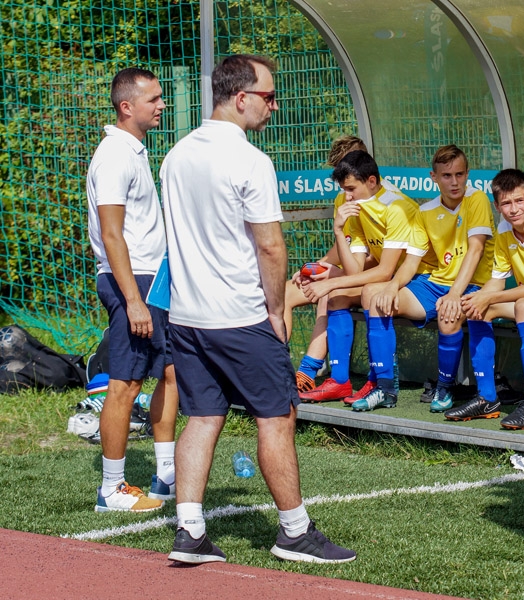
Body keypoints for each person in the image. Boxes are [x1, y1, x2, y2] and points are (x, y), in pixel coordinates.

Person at [160, 54, 355, 564]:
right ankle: (293, 531)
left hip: (187, 316)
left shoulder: (176, 154)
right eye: (268, 96)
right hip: (239, 315)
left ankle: (190, 531)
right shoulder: (250, 160)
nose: (274, 105)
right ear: (240, 96)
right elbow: (270, 247)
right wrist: (275, 308)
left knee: (202, 417)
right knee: (278, 416)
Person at [86, 67, 179, 512]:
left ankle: (165, 475)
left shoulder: (135, 151)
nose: (162, 105)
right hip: (132, 283)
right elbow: (111, 234)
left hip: (153, 278)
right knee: (124, 383)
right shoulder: (113, 155)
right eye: (154, 99)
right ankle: (111, 488)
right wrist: (134, 300)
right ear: (127, 107)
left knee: (171, 372)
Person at [360, 145, 495, 413]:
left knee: (448, 313)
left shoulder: (477, 199)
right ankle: (385, 389)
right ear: (434, 177)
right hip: (435, 284)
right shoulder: (425, 212)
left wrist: (455, 294)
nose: (454, 182)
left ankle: (444, 388)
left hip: (472, 284)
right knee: (377, 300)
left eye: (459, 174)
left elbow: (476, 249)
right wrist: (391, 287)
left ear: (468, 174)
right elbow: (411, 262)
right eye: (446, 175)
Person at [297, 150, 421, 405]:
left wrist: (330, 281)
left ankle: (378, 381)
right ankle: (339, 382)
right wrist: (339, 231)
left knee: (366, 293)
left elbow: (386, 271)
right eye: (344, 189)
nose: (347, 195)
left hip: (415, 281)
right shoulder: (355, 206)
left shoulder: (397, 207)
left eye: (351, 188)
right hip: (387, 280)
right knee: (338, 296)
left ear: (372, 182)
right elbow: (356, 272)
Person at [445, 169, 524, 429]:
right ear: (497, 205)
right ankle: (487, 398)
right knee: (477, 306)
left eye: (519, 201)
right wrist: (479, 298)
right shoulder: (504, 230)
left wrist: (491, 295)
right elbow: (497, 280)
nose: (513, 209)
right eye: (506, 203)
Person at [285, 135, 366, 396]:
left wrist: (326, 275)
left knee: (328, 289)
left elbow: (380, 257)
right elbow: (341, 246)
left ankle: (307, 372)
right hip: (346, 271)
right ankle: (275, 367)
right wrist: (312, 267)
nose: (345, 185)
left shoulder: (383, 200)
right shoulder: (343, 200)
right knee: (284, 292)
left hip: (371, 278)